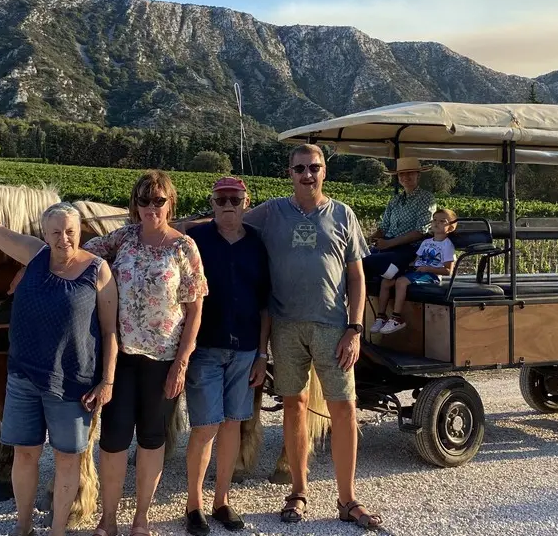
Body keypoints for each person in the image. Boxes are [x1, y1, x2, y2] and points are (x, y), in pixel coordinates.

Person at [0, 188, 118, 536]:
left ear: (80, 232)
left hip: (72, 383)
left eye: (70, 231)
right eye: (56, 232)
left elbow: (109, 332)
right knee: (25, 456)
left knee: (67, 459)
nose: (64, 238)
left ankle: (57, 528)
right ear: (44, 234)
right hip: (24, 379)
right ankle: (23, 526)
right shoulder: (34, 255)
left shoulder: (98, 271)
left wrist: (107, 381)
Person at [243, 143, 383, 530]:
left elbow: (357, 276)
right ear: (289, 173)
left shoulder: (342, 214)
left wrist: (355, 329)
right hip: (285, 327)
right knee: (294, 406)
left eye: (314, 167)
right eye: (300, 168)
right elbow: (228, 221)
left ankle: (348, 499)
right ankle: (299, 490)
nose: (308, 174)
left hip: (332, 328)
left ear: (325, 172)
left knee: (344, 409)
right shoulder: (271, 212)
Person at [82, 170, 208, 536]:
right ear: (133, 205)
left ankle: (141, 518)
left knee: (152, 439)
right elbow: (77, 255)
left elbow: (195, 309)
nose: (151, 207)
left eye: (158, 200)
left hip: (163, 358)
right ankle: (109, 518)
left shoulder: (184, 247)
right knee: (113, 438)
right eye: (143, 200)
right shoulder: (122, 239)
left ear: (171, 203)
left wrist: (181, 363)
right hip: (119, 357)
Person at [182, 176, 271, 535]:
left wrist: (263, 355)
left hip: (246, 349)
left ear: (246, 202)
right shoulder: (196, 240)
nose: (229, 207)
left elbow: (266, 304)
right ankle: (194, 505)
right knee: (204, 427)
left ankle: (221, 500)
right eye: (222, 200)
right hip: (205, 347)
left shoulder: (258, 244)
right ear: (212, 203)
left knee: (233, 423)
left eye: (235, 200)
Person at [373, 208, 457, 335]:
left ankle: (396, 318)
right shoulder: (426, 242)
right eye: (434, 220)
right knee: (387, 281)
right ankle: (381, 316)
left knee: (401, 282)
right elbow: (417, 261)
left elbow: (447, 271)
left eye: (442, 221)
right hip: (417, 272)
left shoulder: (447, 245)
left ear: (451, 228)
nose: (436, 223)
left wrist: (428, 269)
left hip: (431, 275)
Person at [362, 158, 437, 293]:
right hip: (387, 248)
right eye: (402, 174)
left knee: (366, 262)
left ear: (418, 175)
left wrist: (389, 243)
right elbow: (383, 228)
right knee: (354, 260)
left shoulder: (426, 199)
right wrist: (364, 241)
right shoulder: (395, 200)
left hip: (407, 251)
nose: (405, 177)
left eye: (410, 173)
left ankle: (392, 274)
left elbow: (420, 231)